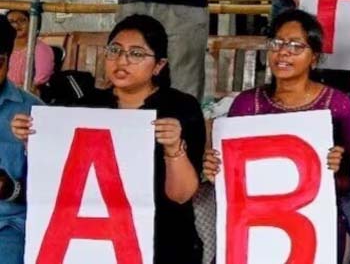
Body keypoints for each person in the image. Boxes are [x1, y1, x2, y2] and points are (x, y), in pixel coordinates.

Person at [12, 14, 206, 263]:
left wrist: (174, 148)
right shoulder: (85, 107)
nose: (122, 60)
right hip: (95, 243)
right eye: (115, 50)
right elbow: (58, 177)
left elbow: (181, 196)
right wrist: (33, 139)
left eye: (136, 54)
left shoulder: (180, 108)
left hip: (164, 241)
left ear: (159, 65)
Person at [202, 9, 350, 262]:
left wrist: (334, 169)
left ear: (314, 57)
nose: (283, 52)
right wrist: (216, 170)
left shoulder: (338, 105)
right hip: (254, 221)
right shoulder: (247, 103)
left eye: (296, 46)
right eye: (277, 43)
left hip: (314, 228)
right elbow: (235, 175)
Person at [0, 16, 41, 264]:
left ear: (9, 60)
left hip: (8, 227)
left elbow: (51, 190)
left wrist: (10, 189)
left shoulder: (33, 111)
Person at [5, 10, 54, 87]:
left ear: (31, 23)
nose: (16, 25)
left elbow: (39, 81)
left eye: (22, 20)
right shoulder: (4, 47)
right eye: (11, 22)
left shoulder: (41, 49)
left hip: (26, 92)